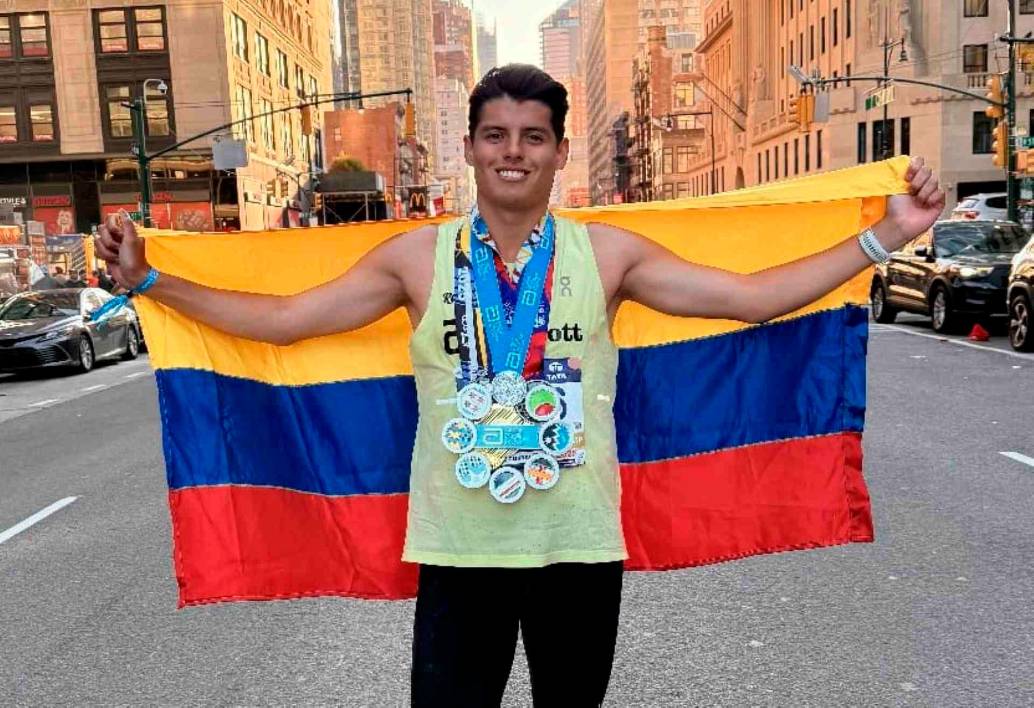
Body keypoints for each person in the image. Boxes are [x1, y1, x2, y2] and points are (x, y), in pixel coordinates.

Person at [96, 64, 944, 707]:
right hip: (460, 551)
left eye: (533, 137)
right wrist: (150, 281)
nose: (513, 152)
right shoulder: (415, 259)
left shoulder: (607, 255)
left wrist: (887, 235)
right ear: (470, 147)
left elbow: (751, 299)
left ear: (559, 152)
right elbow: (286, 320)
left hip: (577, 547)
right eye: (495, 135)